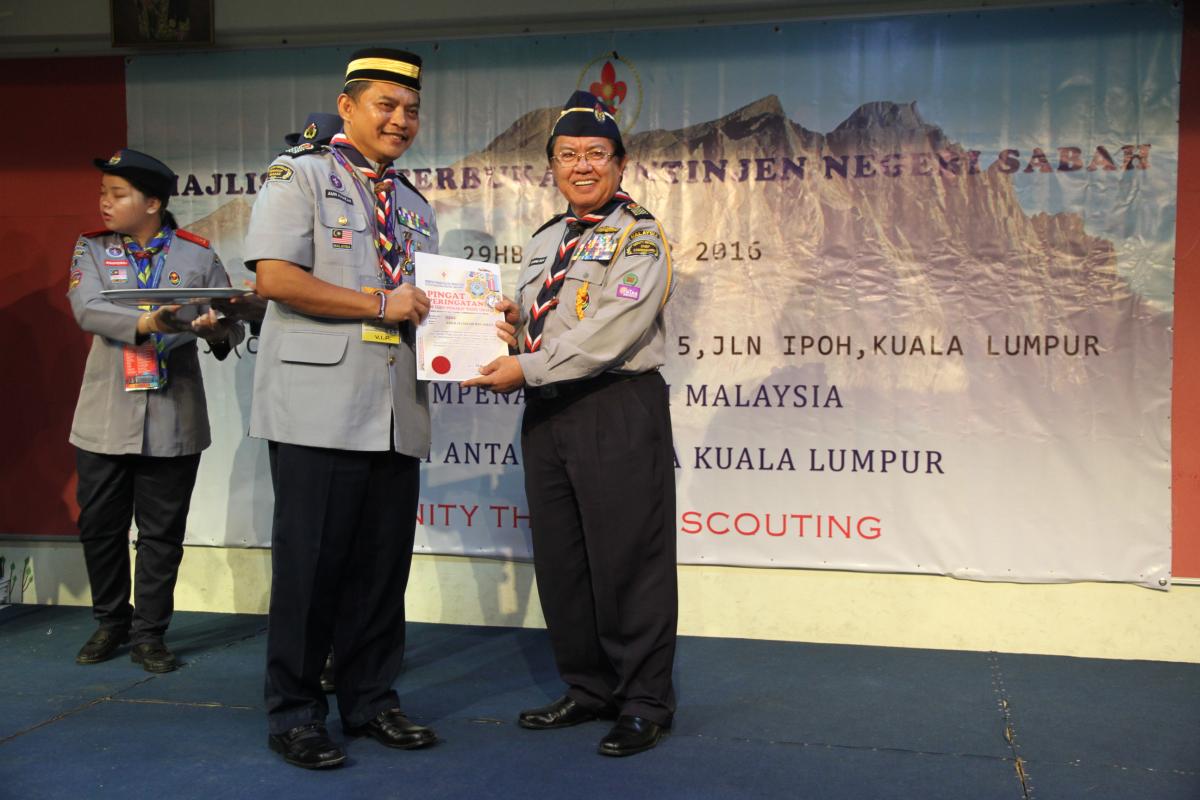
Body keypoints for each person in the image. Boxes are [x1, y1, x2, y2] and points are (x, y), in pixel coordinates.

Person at [465, 90, 679, 757]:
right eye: (567, 155)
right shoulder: (544, 241)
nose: (580, 166)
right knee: (565, 562)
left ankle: (643, 701)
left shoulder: (639, 236)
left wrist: (527, 367)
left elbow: (612, 332)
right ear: (551, 166)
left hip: (615, 405)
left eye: (595, 155)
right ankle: (589, 689)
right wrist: (508, 328)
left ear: (620, 164)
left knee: (629, 563)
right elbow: (550, 325)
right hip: (549, 410)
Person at [243, 48, 438, 770]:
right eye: (386, 105)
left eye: (411, 109)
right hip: (318, 406)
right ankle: (295, 713)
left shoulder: (414, 205)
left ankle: (371, 701)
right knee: (311, 568)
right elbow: (273, 278)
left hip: (396, 408)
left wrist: (478, 322)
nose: (400, 119)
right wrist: (376, 302)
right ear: (348, 105)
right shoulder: (300, 177)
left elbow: (425, 303)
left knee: (382, 569)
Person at [68, 148, 244, 674]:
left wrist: (216, 332)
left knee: (162, 532)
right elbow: (86, 308)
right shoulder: (92, 250)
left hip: (174, 414)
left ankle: (150, 633)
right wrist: (149, 324)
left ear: (152, 203)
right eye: (103, 193)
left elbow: (227, 321)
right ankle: (110, 621)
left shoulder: (197, 254)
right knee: (100, 526)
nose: (104, 203)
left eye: (116, 195)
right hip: (105, 414)